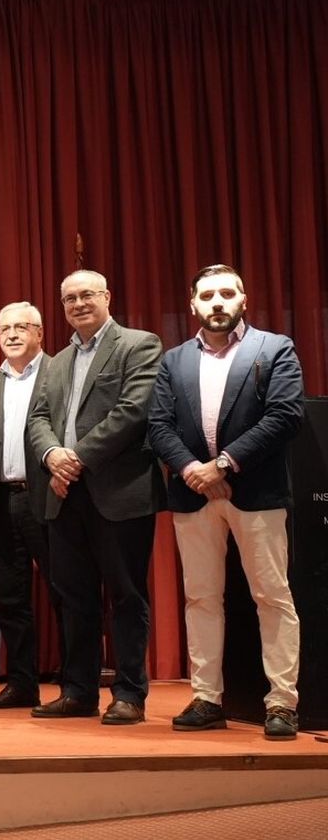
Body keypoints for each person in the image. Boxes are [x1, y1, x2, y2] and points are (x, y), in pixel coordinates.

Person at [148, 264, 304, 740]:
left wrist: (225, 464)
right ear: (193, 303)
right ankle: (206, 698)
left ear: (243, 299)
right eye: (207, 295)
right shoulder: (173, 359)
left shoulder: (274, 348)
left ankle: (282, 703)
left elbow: (285, 415)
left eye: (226, 293)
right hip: (193, 496)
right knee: (201, 598)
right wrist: (195, 470)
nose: (217, 302)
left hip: (255, 492)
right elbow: (158, 425)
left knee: (271, 597)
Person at [27, 270, 164, 725]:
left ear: (107, 296)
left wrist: (76, 459)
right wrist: (51, 455)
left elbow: (133, 411)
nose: (78, 303)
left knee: (126, 597)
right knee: (75, 598)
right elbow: (39, 417)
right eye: (69, 298)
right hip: (65, 495)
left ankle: (128, 694)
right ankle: (79, 691)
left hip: (118, 492)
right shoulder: (58, 360)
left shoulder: (139, 344)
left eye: (87, 295)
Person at [0, 302, 60, 709]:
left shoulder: (60, 373)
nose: (13, 334)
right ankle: (22, 685)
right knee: (12, 600)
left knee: (65, 593)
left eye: (23, 327)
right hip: (1, 504)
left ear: (39, 332)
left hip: (51, 500)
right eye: (6, 328)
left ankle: (76, 686)